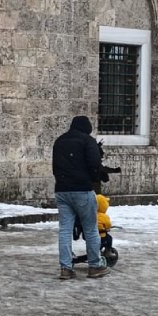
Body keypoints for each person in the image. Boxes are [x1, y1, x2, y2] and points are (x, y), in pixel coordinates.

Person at [53, 115, 106, 280]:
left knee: (65, 230)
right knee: (90, 229)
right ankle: (95, 266)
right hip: (82, 190)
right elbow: (94, 164)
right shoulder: (87, 141)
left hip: (62, 191)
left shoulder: (60, 141)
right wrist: (97, 176)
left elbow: (55, 166)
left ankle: (66, 268)